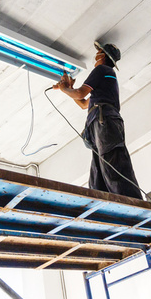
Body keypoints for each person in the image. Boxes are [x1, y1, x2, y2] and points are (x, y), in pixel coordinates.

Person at [54, 42, 142, 199]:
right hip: (101, 124)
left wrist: (65, 88)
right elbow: (83, 104)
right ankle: (103, 204)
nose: (96, 55)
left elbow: (80, 94)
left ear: (103, 56)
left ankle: (132, 202)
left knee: (113, 165)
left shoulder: (102, 70)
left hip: (105, 122)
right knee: (99, 174)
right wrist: (67, 89)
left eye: (99, 52)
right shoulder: (105, 79)